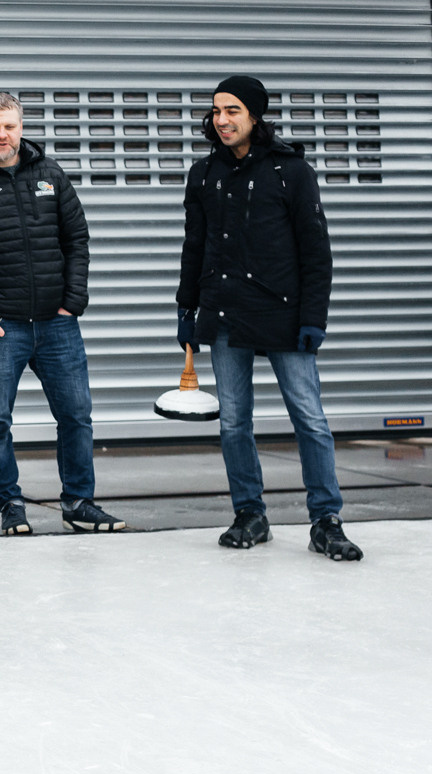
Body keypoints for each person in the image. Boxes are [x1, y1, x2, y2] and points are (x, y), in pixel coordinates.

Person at [177, 75, 362, 561]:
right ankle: (250, 514)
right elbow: (194, 247)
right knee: (234, 422)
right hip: (224, 313)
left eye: (232, 110)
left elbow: (315, 250)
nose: (222, 120)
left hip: (284, 316)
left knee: (310, 420)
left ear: (255, 115)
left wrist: (313, 318)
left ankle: (326, 520)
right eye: (216, 111)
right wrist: (185, 309)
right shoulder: (204, 174)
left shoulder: (291, 171)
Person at [0, 91, 124, 537]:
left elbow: (77, 239)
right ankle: (10, 502)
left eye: (11, 125)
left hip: (58, 324)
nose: (3, 134)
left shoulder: (51, 175)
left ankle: (79, 502)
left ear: (22, 127)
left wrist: (72, 300)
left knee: (77, 415)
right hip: (1, 327)